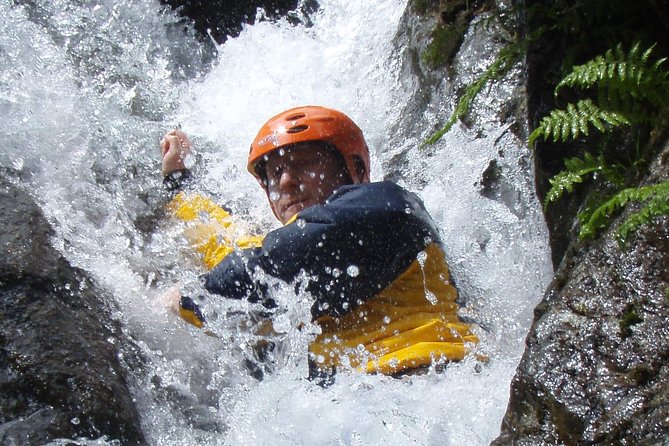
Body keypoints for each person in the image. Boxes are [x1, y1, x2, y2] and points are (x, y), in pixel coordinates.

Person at [159, 105, 479, 379]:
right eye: (276, 173)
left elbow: (300, 250)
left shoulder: (389, 205)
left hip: (434, 376)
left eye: (304, 163)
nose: (286, 181)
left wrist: (195, 296)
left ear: (356, 169)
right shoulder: (275, 249)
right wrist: (179, 181)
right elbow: (221, 239)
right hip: (349, 408)